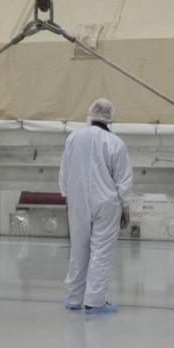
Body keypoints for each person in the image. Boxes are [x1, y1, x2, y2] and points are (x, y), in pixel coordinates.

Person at [60, 98, 133, 315]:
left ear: (91, 114)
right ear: (110, 118)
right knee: (101, 252)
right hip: (107, 204)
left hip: (78, 202)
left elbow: (64, 170)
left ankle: (73, 298)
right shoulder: (115, 143)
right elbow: (123, 179)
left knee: (78, 249)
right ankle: (94, 301)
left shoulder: (73, 138)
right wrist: (126, 208)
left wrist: (67, 197)